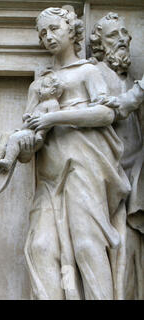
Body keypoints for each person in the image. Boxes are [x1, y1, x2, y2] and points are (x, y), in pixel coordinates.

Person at [22, 7, 130, 299]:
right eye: (42, 33)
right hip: (49, 178)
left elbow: (106, 113)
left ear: (71, 30)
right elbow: (29, 137)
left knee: (86, 244)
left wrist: (53, 118)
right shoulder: (39, 85)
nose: (48, 37)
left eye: (54, 28)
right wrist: (17, 144)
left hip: (84, 168)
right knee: (40, 246)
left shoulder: (88, 71)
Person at [89, 13, 143, 299]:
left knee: (131, 252)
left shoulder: (131, 81)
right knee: (121, 249)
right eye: (113, 35)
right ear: (99, 46)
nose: (122, 39)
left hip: (135, 174)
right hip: (112, 180)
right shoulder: (96, 74)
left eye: (125, 33)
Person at [0, 72, 63, 170]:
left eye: (44, 87)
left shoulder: (52, 104)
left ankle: (8, 160)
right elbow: (33, 115)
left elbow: (50, 120)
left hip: (34, 134)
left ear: (52, 90)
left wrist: (40, 133)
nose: (40, 89)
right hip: (25, 130)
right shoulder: (41, 104)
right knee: (5, 134)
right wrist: (28, 116)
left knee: (14, 138)